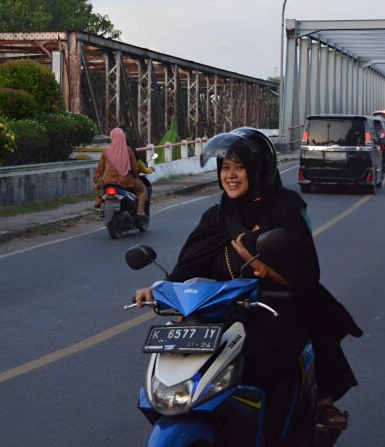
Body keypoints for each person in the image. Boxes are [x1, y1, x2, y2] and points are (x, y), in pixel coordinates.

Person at [134, 128, 361, 439]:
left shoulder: (285, 209)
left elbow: (305, 271)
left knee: (263, 359)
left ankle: (276, 431)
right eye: (225, 168)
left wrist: (265, 270)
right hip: (223, 310)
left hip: (276, 305)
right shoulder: (215, 216)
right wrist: (160, 289)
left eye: (239, 167)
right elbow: (188, 265)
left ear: (258, 171)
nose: (231, 176)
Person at [92, 127, 147, 216]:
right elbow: (135, 168)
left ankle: (100, 202)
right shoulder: (128, 150)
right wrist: (136, 176)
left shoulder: (105, 151)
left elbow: (100, 169)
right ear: (123, 137)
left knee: (104, 191)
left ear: (112, 137)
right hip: (126, 181)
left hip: (108, 181)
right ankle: (140, 211)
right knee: (142, 190)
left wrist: (96, 181)